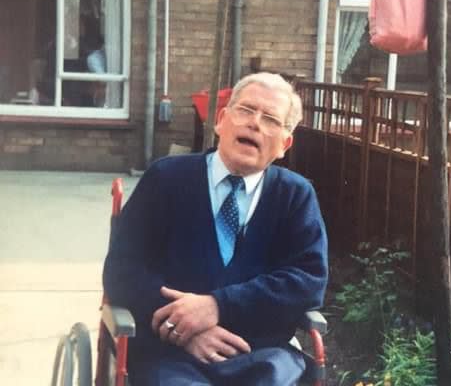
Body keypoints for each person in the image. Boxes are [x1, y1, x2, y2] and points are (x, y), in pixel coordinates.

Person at [103, 72, 328, 385]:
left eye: (271, 119)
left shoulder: (295, 195)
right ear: (222, 120)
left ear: (284, 144)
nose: (255, 124)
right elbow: (123, 270)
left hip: (261, 352)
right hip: (168, 353)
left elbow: (307, 281)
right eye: (246, 110)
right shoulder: (165, 179)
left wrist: (219, 306)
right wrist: (184, 330)